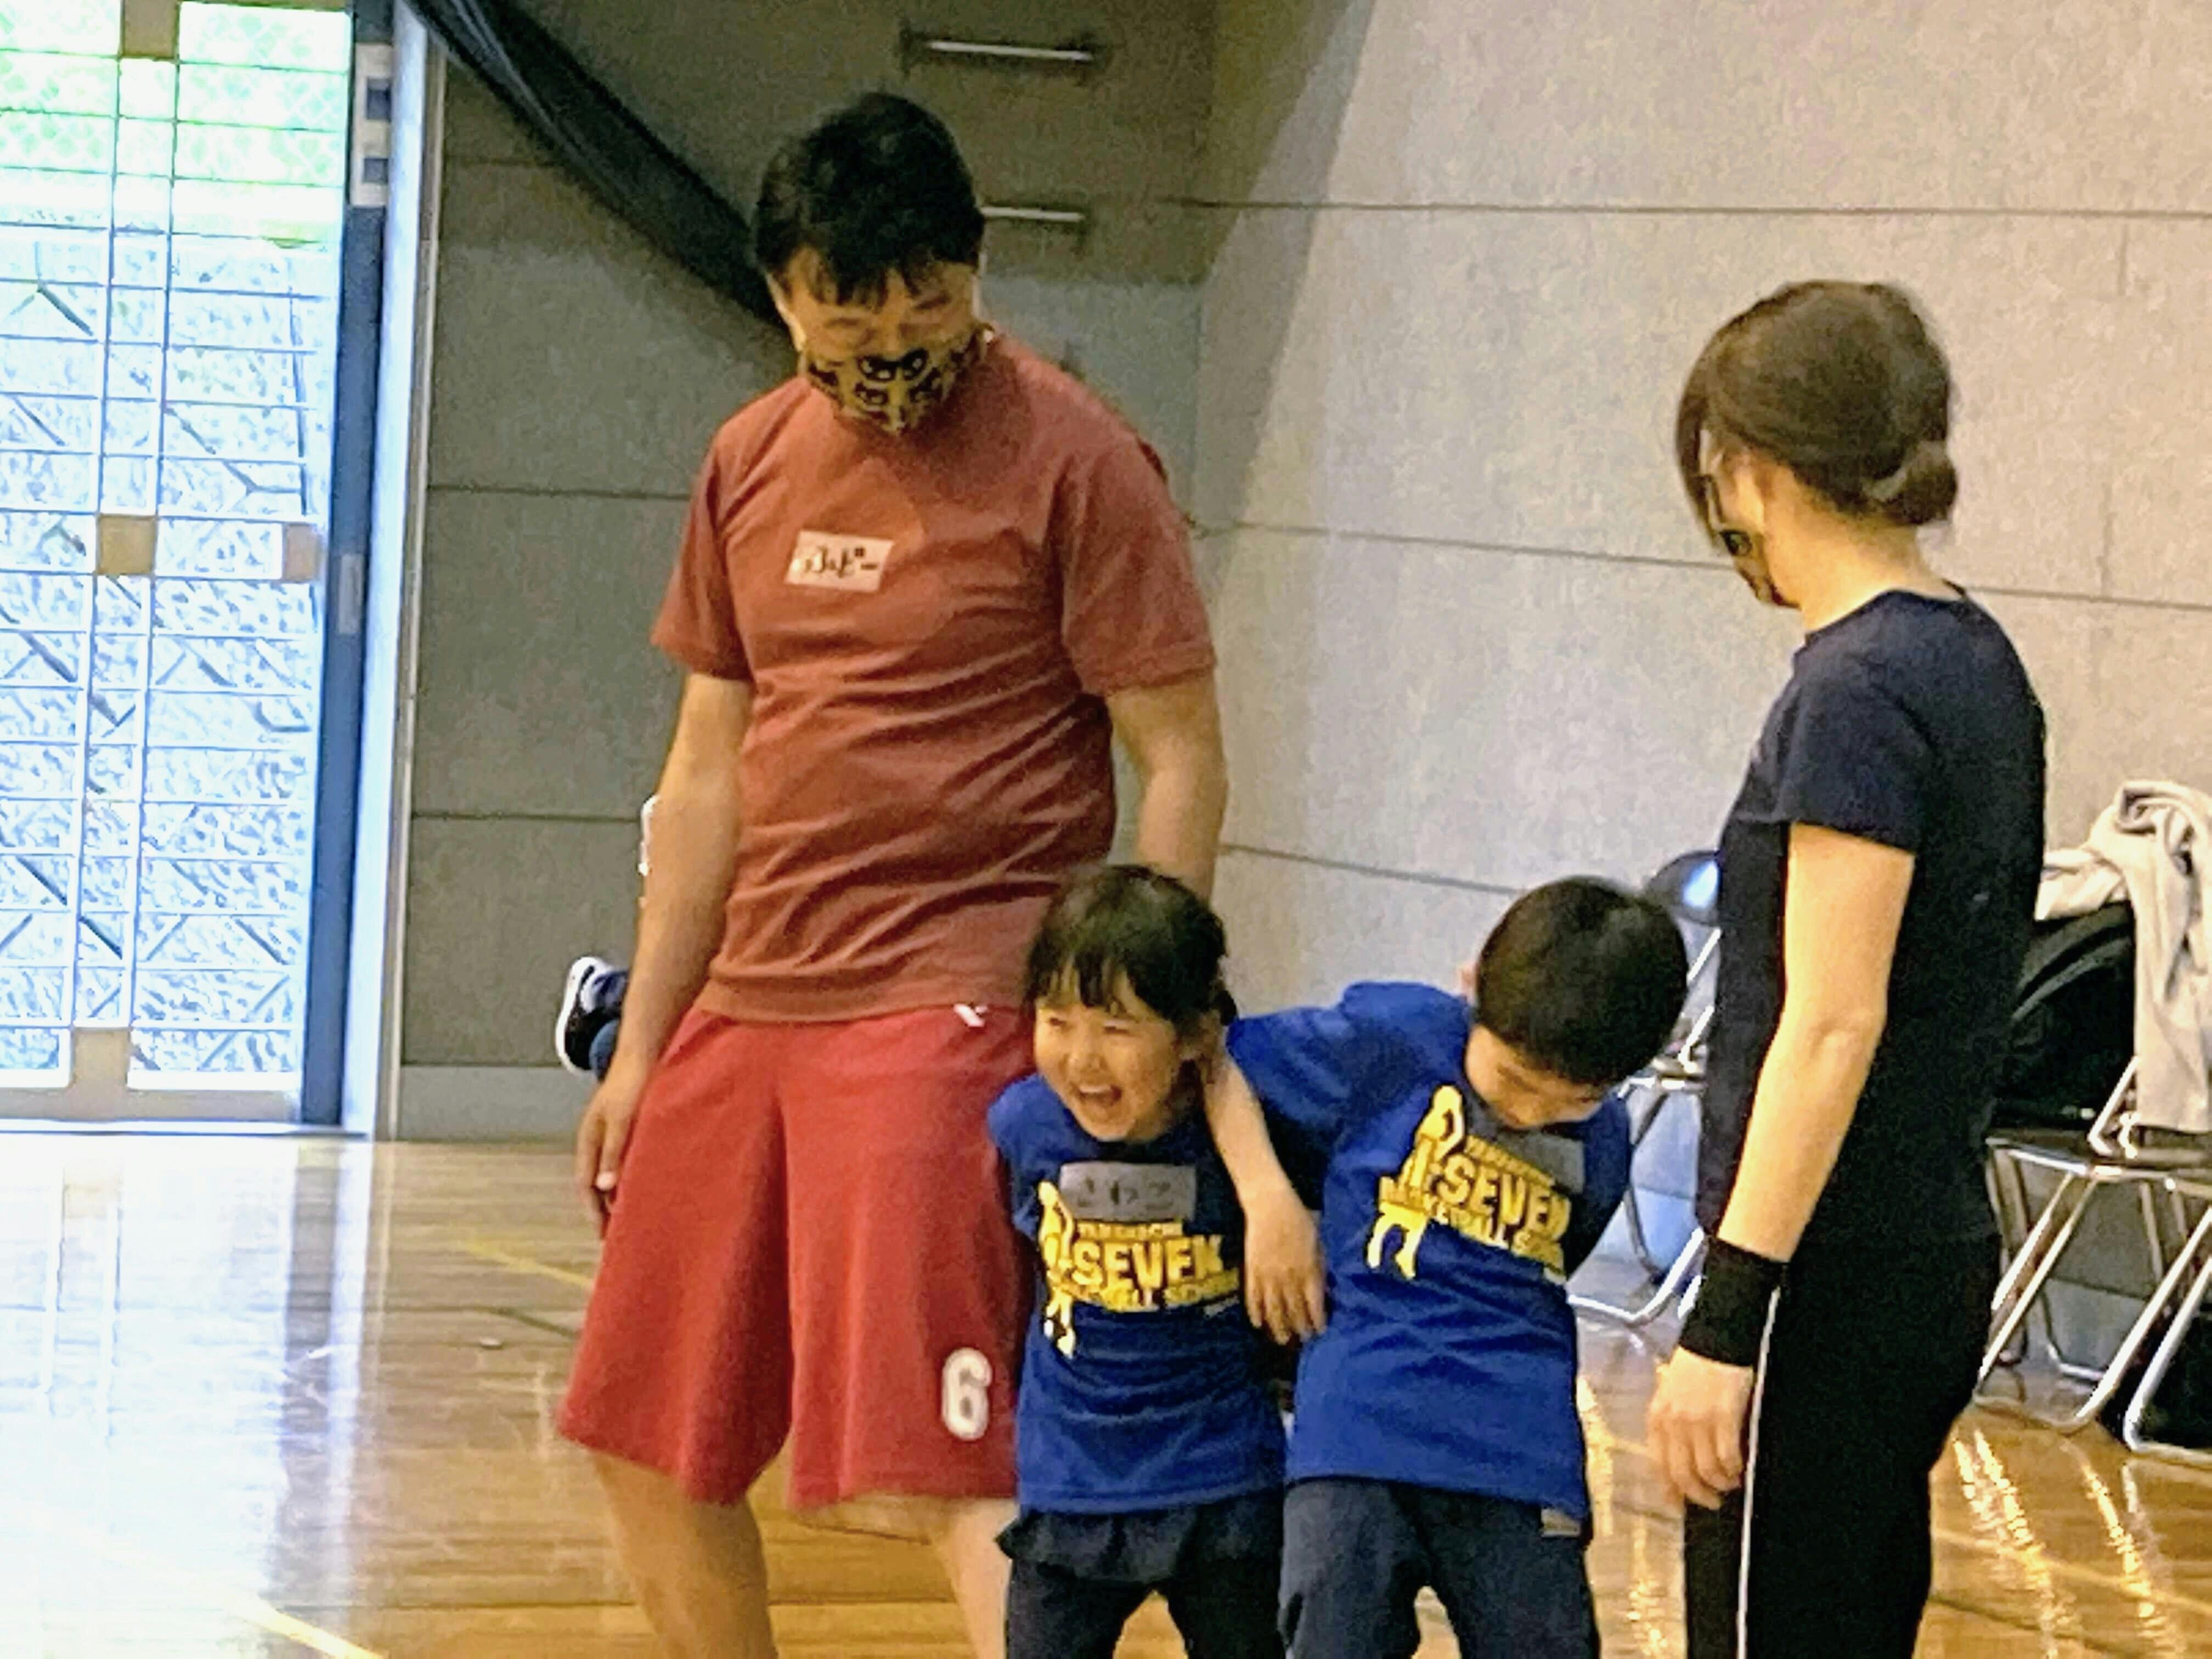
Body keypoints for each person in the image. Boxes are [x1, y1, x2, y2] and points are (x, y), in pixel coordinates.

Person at [556, 93, 1227, 1659]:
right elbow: (707, 769)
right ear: (784, 296)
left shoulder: (1079, 458)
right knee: (643, 1443)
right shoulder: (750, 460)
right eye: (849, 317)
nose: (891, 346)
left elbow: (1182, 754)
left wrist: (1146, 1012)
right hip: (750, 1001)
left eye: (926, 304)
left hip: (953, 999)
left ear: (974, 271)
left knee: (946, 1463)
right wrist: (646, 1042)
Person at [1644, 281, 2046, 1657]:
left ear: (1749, 468)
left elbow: (1831, 1023)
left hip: (1825, 1277)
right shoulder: (1974, 656)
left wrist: (1726, 1322)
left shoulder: (1855, 692)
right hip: (1923, 1251)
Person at [1207, 878, 1690, 1659]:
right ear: (1473, 985)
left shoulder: (1603, 1139)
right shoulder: (1390, 1039)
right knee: (1331, 1619)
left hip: (1519, 1445)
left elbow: (1558, 1262)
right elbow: (1217, 1062)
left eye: (1567, 1100)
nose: (1528, 1113)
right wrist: (1268, 1201)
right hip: (1360, 1423)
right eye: (1514, 1079)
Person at [987, 865, 1317, 1659]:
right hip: (1072, 1475)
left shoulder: (1255, 1134)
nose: (1082, 1058)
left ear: (1194, 1033)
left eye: (1117, 1027)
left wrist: (1271, 1198)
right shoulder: (1022, 1126)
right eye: (1057, 1020)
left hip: (1223, 1476)